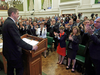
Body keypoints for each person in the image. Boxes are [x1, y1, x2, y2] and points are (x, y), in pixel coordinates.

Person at [2, 7, 38, 75]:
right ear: (13, 14)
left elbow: (12, 37)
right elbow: (18, 41)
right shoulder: (11, 24)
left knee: (10, 69)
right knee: (20, 69)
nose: (18, 15)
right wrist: (31, 47)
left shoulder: (6, 21)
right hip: (13, 53)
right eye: (17, 13)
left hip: (8, 52)